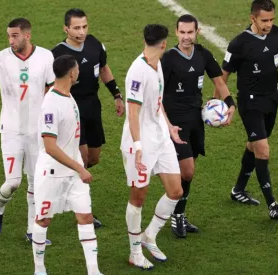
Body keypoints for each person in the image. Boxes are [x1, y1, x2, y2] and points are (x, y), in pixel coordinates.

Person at [219, 0, 278, 219]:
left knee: (254, 144)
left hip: (271, 100)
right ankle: (272, 205)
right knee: (263, 149)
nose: (268, 24)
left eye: (271, 19)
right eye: (264, 20)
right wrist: (217, 103)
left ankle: (238, 190)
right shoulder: (239, 44)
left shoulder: (277, 34)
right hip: (250, 103)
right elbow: (223, 75)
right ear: (253, 19)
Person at [0, 18, 55, 243]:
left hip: (36, 132)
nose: (10, 40)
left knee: (36, 182)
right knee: (13, 182)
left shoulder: (46, 56)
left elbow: (51, 91)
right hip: (10, 131)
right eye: (9, 35)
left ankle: (32, 230)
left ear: (27, 35)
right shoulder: (0, 58)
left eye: (15, 35)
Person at [161, 14, 236, 238]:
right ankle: (174, 215)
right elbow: (156, 93)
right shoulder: (169, 59)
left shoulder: (203, 54)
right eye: (182, 32)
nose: (186, 37)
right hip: (176, 123)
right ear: (176, 32)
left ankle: (179, 214)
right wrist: (164, 122)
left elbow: (218, 80)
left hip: (195, 120)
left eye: (190, 32)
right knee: (187, 170)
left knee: (189, 173)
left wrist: (230, 103)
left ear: (197, 32)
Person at [51, 8, 125, 228]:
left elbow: (103, 69)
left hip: (93, 107)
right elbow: (48, 86)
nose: (81, 32)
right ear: (66, 28)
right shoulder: (56, 55)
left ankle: (61, 182)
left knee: (93, 159)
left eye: (84, 26)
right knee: (81, 159)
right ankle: (83, 211)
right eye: (76, 28)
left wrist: (117, 95)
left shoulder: (95, 44)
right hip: (71, 110)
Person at [31, 55, 102, 275]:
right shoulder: (51, 104)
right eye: (78, 69)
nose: (79, 72)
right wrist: (80, 167)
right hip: (52, 174)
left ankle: (93, 271)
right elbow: (50, 146)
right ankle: (40, 269)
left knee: (85, 217)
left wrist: (78, 164)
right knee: (43, 220)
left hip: (73, 174)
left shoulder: (67, 95)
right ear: (71, 73)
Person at [121, 24, 184, 270]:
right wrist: (137, 146)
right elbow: (133, 113)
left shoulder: (157, 64)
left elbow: (157, 103)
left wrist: (168, 126)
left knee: (176, 191)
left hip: (160, 138)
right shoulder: (138, 71)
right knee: (139, 197)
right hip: (141, 143)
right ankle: (134, 251)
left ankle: (149, 236)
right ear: (164, 43)